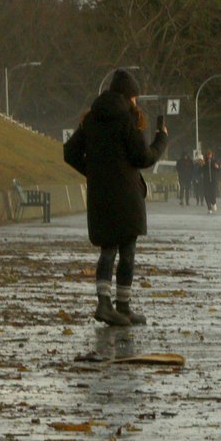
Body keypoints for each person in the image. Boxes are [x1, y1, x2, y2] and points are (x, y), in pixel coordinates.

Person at [62, 68, 168, 326]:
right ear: (129, 96)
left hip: (101, 195)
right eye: (135, 98)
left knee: (107, 249)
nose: (136, 103)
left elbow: (70, 152)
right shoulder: (126, 119)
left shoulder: (92, 118)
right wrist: (160, 140)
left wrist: (94, 172)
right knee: (127, 251)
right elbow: (142, 157)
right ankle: (123, 305)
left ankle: (106, 304)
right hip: (126, 196)